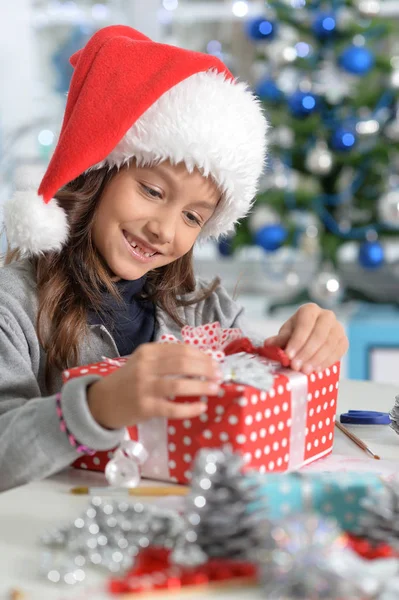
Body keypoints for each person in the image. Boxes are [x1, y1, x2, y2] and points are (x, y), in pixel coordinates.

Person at [0, 25, 348, 492]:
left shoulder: (202, 310)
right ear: (99, 172)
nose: (164, 229)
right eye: (151, 190)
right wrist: (96, 407)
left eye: (191, 216)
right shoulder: (14, 306)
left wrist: (294, 351)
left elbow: (246, 399)